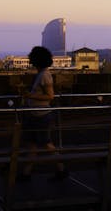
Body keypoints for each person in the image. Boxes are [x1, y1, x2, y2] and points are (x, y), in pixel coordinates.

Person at [19, 46, 68, 181]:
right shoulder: (40, 74)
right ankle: (26, 173)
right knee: (32, 144)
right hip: (34, 114)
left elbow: (50, 96)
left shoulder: (45, 75)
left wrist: (30, 96)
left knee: (46, 143)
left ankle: (61, 169)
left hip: (41, 115)